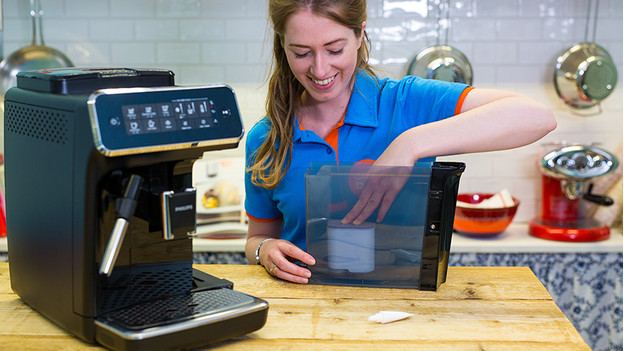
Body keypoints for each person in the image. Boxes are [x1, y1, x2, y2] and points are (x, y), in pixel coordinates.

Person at [244, 0, 556, 284]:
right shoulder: (266, 138)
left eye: (335, 49)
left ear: (359, 35)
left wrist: (409, 144)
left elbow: (536, 116)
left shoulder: (406, 103)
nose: (320, 69)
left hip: (402, 309)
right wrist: (264, 250)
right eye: (301, 53)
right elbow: (257, 238)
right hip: (303, 309)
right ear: (281, 44)